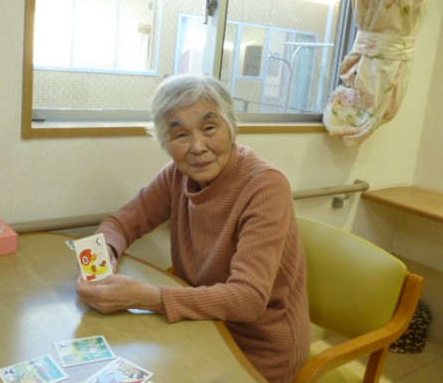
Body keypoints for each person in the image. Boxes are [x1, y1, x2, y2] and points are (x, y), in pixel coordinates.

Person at [76, 74, 310, 383]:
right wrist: (101, 259)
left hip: (257, 349)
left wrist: (144, 297)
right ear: (166, 142)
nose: (198, 147)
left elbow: (249, 298)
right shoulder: (176, 175)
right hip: (201, 325)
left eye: (209, 128)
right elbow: (121, 223)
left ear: (231, 127)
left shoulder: (265, 185)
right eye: (181, 134)